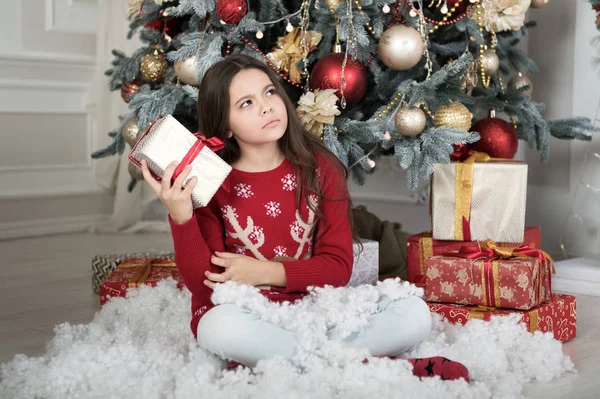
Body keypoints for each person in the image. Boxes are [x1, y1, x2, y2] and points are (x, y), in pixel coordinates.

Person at [141, 54, 469, 382]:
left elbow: (338, 267)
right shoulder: (211, 182)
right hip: (249, 315)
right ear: (225, 125)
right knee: (216, 328)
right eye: (246, 103)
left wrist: (264, 272)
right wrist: (181, 215)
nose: (267, 107)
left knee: (414, 314)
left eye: (270, 93)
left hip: (313, 308)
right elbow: (205, 286)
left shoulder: (320, 167)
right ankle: (368, 365)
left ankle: (290, 360)